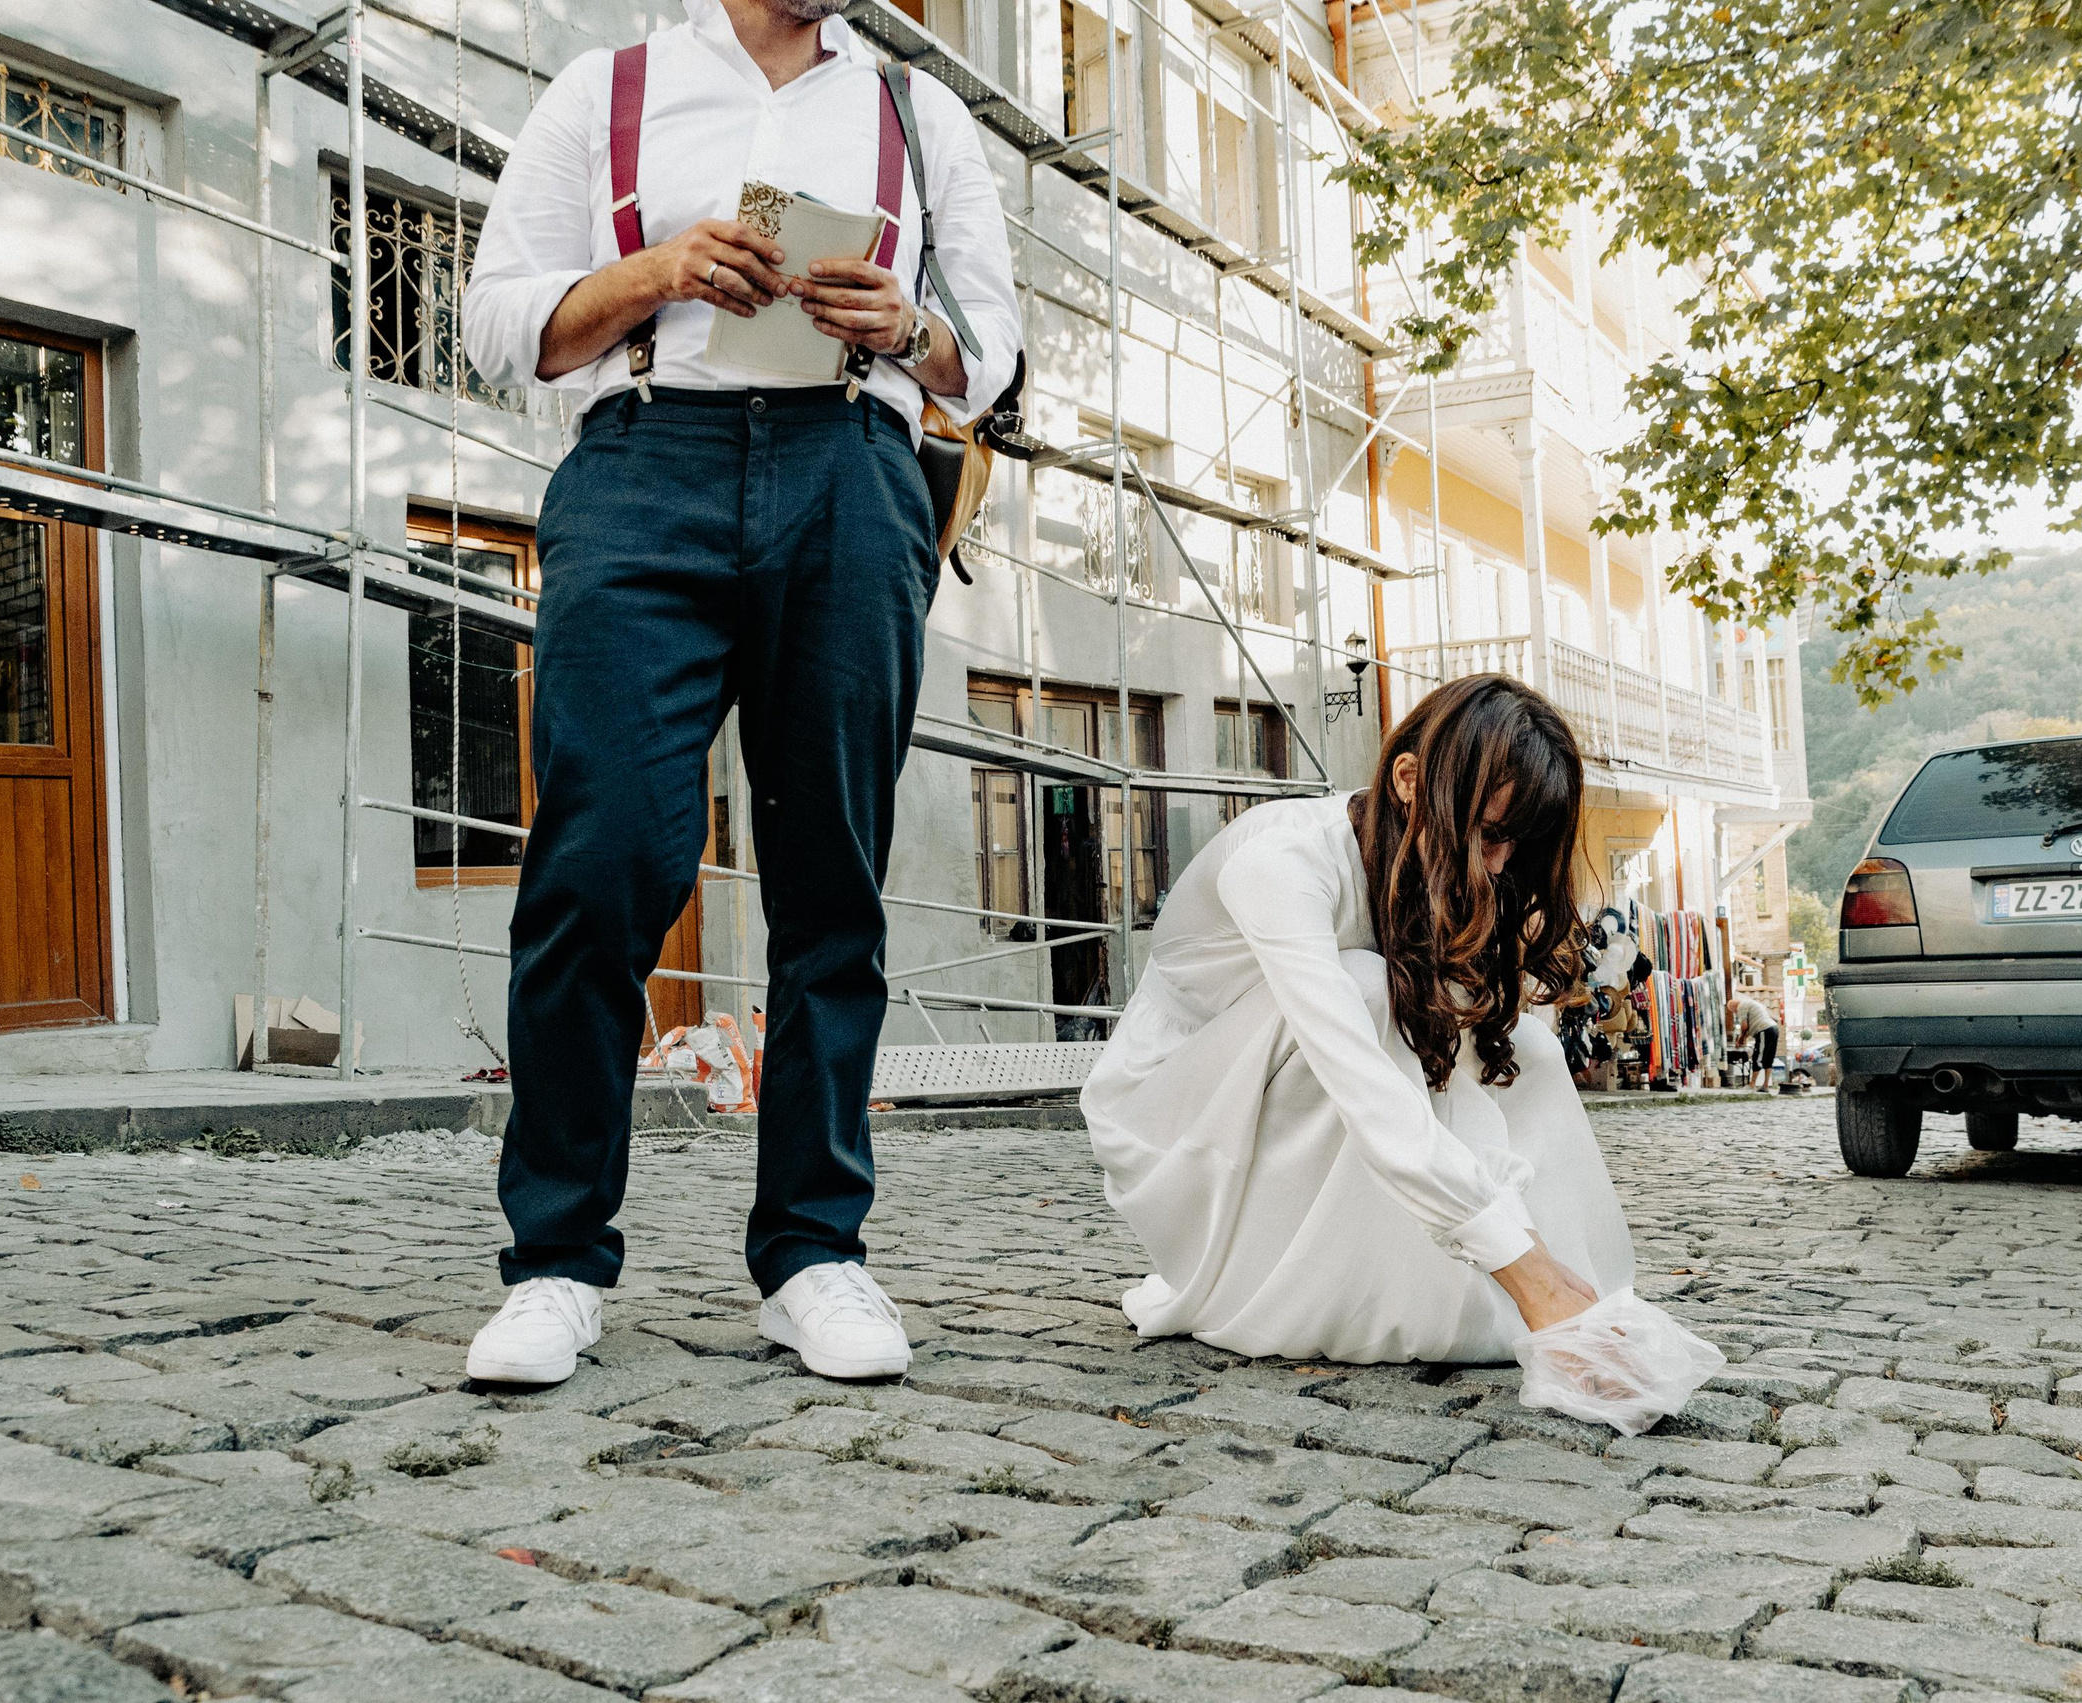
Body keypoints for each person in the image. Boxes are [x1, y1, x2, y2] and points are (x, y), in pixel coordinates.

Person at [453, 0, 1021, 1386]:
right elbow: (495, 325)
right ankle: (555, 1260)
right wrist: (657, 272)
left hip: (852, 471)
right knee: (600, 858)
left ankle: (815, 1253)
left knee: (833, 875)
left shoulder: (917, 113)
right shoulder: (606, 90)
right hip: (646, 463)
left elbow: (994, 351)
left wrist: (912, 327)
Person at [1081, 676, 1636, 1365]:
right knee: (1375, 990)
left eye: (1516, 845)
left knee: (1525, 1047)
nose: (1498, 866)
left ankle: (1573, 1290)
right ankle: (1460, 1287)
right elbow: (1364, 1085)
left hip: (1284, 1087)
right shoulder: (1282, 862)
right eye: (1491, 835)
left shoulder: (1430, 866)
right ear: (1408, 779)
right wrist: (1523, 1269)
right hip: (1176, 1120)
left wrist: (1537, 1254)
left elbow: (1462, 1080)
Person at [1730, 991, 1780, 1091]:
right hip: (1773, 1028)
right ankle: (1765, 1085)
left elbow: (1744, 1026)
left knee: (1758, 1057)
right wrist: (1744, 1038)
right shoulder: (1751, 1003)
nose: (1735, 1013)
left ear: (1733, 1007)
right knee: (1769, 1058)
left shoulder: (1741, 1006)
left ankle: (1752, 1085)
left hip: (1764, 1030)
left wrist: (1740, 1039)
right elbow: (1751, 1026)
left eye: (1733, 1011)